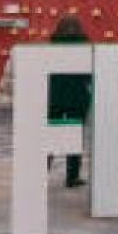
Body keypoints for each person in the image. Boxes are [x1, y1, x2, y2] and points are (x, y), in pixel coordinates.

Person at [47, 15, 92, 187]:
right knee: (75, 137)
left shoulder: (52, 46)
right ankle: (72, 177)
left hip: (55, 98)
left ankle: (41, 173)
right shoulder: (85, 47)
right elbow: (88, 74)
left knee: (50, 136)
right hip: (77, 98)